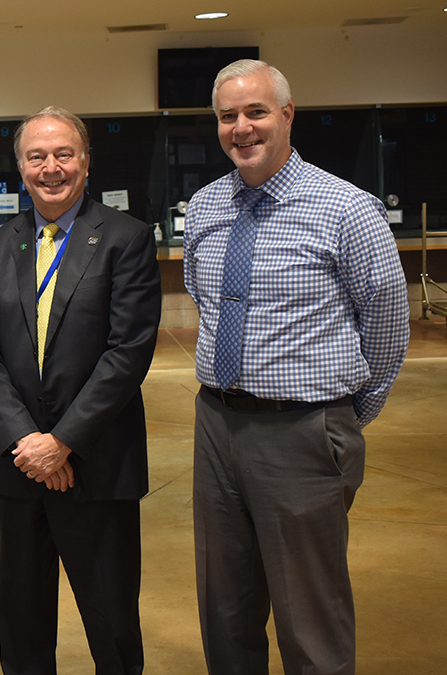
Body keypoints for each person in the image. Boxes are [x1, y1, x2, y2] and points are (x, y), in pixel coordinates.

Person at [184, 60, 409, 675]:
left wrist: (337, 421)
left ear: (287, 114)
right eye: (228, 116)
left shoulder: (347, 209)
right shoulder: (204, 208)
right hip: (216, 426)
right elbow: (205, 299)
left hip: (304, 433)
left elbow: (388, 324)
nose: (242, 128)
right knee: (225, 612)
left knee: (310, 620)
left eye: (256, 112)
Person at [0, 106, 162, 675]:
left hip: (98, 465)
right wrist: (30, 442)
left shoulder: (126, 239)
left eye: (63, 154)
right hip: (20, 467)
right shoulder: (0, 245)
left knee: (113, 626)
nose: (51, 168)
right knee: (22, 630)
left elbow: (127, 355)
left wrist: (64, 441)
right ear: (20, 167)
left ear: (85, 162)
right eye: (36, 156)